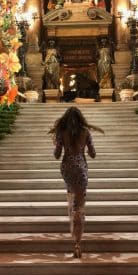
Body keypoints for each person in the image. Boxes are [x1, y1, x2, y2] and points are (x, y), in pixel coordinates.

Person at [49, 107, 104, 258]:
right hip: (80, 168)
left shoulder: (62, 133)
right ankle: (78, 243)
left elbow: (56, 155)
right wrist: (84, 147)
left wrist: (56, 143)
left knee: (71, 196)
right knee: (79, 204)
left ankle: (73, 221)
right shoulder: (86, 132)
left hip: (67, 169)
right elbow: (93, 154)